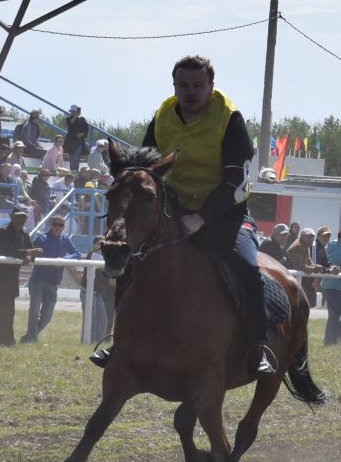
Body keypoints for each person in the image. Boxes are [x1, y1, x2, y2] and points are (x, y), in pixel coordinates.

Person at [88, 54, 272, 375]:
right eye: (183, 85)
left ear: (211, 87)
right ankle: (121, 342)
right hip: (173, 208)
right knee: (131, 259)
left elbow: (236, 182)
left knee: (245, 267)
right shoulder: (162, 116)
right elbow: (141, 165)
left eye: (198, 85)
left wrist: (200, 218)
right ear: (174, 86)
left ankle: (257, 349)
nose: (190, 92)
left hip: (224, 213)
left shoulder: (230, 119)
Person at [21, 213, 80, 344]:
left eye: (61, 225)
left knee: (47, 316)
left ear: (64, 227)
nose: (58, 227)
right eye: (55, 224)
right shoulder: (41, 239)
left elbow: (77, 254)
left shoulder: (65, 240)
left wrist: (64, 259)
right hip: (38, 281)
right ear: (50, 225)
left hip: (53, 283)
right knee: (34, 312)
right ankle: (31, 339)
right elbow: (34, 254)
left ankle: (29, 337)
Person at [0, 207, 35, 347]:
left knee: (10, 312)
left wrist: (29, 256)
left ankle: (7, 341)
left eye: (24, 217)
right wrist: (27, 252)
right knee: (3, 311)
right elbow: (6, 250)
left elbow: (30, 250)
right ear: (12, 216)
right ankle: (1, 342)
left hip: (12, 278)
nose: (22, 220)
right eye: (19, 217)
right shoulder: (2, 232)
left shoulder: (25, 233)